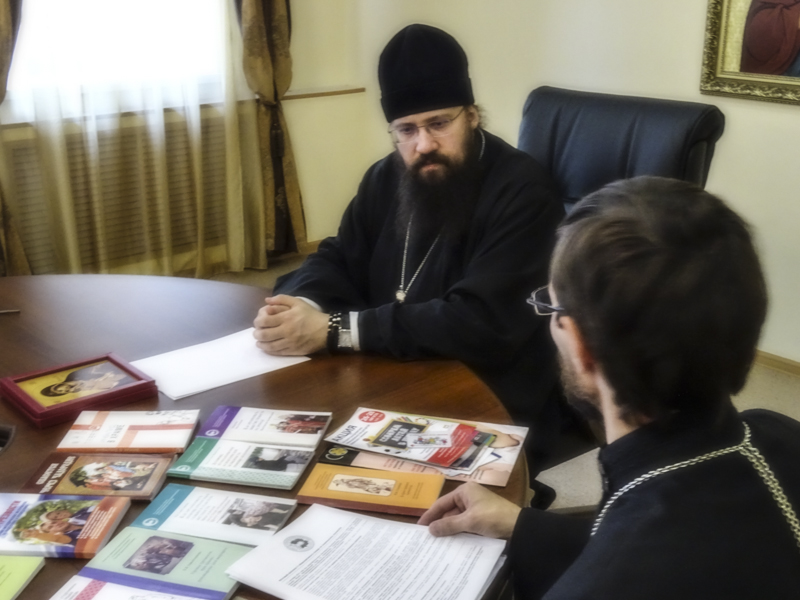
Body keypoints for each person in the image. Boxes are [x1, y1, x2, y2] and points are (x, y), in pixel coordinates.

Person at [418, 176, 800, 599]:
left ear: (583, 348)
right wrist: (522, 526)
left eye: (550, 305)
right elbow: (697, 549)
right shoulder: (779, 432)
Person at [253, 24, 568, 467]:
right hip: (390, 371)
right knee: (289, 450)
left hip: (488, 393)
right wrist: (297, 307)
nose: (424, 145)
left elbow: (479, 323)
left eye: (439, 124)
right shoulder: (386, 177)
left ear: (472, 115)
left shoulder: (523, 192)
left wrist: (335, 329)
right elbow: (339, 255)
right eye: (406, 130)